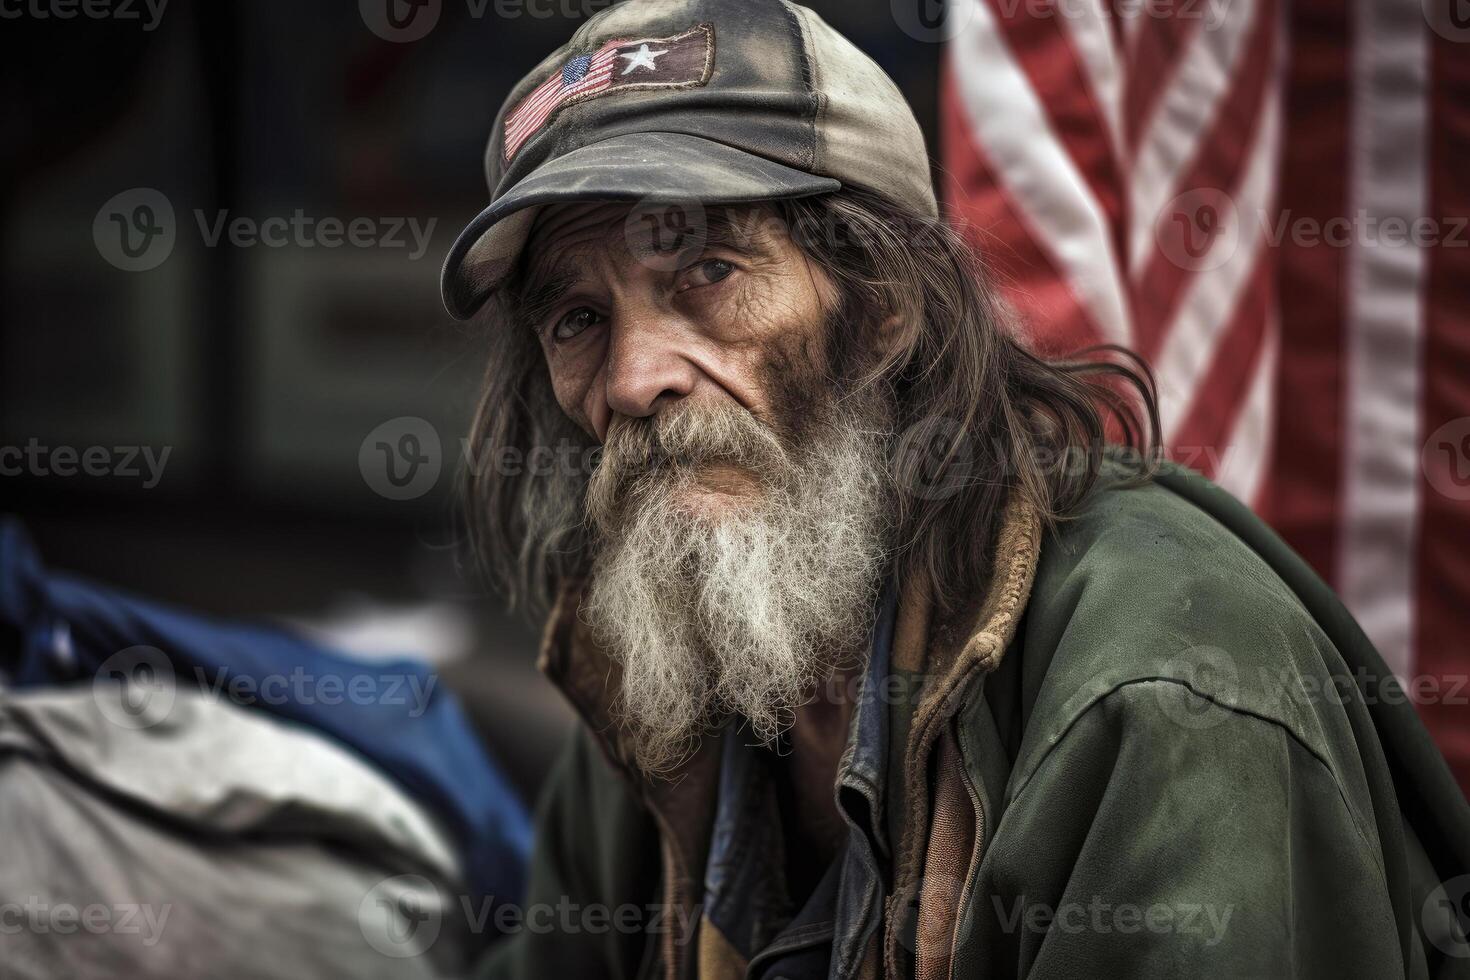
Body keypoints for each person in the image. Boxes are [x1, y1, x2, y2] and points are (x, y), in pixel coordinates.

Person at [441, 0, 1470, 976]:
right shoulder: (664, 677)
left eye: (708, 271)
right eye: (578, 319)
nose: (632, 377)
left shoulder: (1164, 693)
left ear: (885, 308)